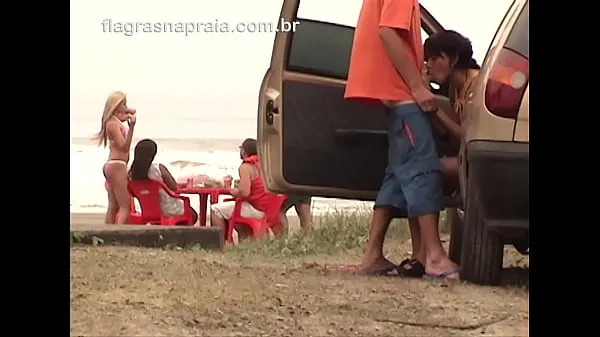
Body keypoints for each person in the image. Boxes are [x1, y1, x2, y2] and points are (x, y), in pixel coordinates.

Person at [343, 0, 458, 279]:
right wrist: (418, 86)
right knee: (423, 169)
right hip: (404, 96)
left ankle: (372, 255)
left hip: (394, 96)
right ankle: (434, 256)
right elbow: (388, 33)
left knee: (395, 176)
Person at [424, 30, 480, 193]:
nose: (428, 64)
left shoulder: (476, 86)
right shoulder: (455, 89)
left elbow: (468, 135)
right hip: (466, 155)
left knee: (426, 167)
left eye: (434, 59)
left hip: (480, 159)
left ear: (454, 59)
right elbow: (448, 134)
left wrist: (437, 111)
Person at [210, 138, 271, 239]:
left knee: (215, 209)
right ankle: (238, 240)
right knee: (231, 210)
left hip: (255, 208)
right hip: (267, 208)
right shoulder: (263, 164)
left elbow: (245, 193)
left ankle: (220, 243)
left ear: (244, 151)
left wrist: (229, 188)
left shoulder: (246, 167)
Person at [129, 139, 198, 224]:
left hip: (148, 210)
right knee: (193, 214)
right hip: (168, 209)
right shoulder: (159, 168)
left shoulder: (131, 173)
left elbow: (132, 191)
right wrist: (185, 186)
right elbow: (175, 188)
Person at [94, 91, 137, 224]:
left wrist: (126, 110)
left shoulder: (114, 120)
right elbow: (123, 146)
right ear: (116, 105)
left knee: (114, 206)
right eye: (123, 104)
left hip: (115, 165)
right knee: (125, 205)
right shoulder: (112, 124)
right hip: (117, 165)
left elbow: (133, 111)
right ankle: (118, 234)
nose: (126, 106)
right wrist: (131, 129)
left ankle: (107, 233)